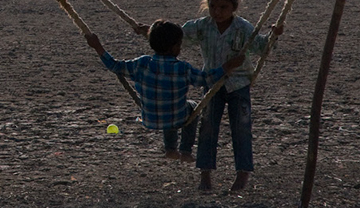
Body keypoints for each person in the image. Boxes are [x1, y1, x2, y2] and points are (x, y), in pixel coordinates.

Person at [181, 0, 283, 196]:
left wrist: (273, 36)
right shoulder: (202, 26)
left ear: (234, 7)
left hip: (238, 85)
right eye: (213, 6)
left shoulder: (243, 28)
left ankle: (243, 172)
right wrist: (151, 31)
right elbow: (176, 36)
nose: (217, 12)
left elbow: (261, 47)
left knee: (241, 129)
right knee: (208, 128)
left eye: (223, 7)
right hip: (212, 84)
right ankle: (205, 173)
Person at [86, 20, 244, 163]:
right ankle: (185, 150)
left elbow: (115, 66)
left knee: (167, 103)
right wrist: (227, 67)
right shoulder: (182, 69)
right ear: (175, 47)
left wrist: (97, 46)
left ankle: (170, 149)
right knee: (191, 106)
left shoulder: (142, 64)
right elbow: (206, 79)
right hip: (176, 117)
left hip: (149, 118)